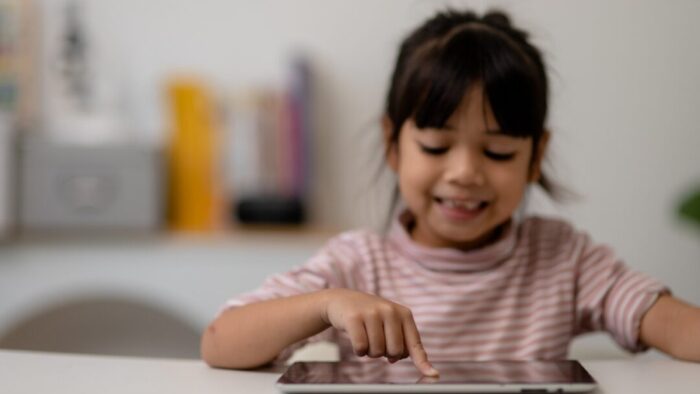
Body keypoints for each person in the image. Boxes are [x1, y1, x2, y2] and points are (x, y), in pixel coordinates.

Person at [201, 9, 700, 376]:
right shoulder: (357, 264)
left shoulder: (563, 259)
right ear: (393, 145)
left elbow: (676, 327)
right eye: (437, 146)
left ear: (536, 156)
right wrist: (326, 304)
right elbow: (220, 342)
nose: (464, 173)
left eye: (499, 152)